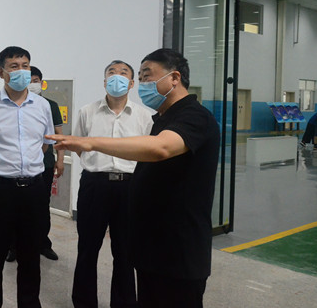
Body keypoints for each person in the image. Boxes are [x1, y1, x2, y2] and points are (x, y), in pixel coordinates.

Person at [48, 49, 220, 308]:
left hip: (178, 248)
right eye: (140, 77)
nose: (143, 83)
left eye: (147, 76)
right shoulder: (162, 118)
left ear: (174, 78)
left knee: (131, 263)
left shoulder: (193, 116)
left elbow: (160, 148)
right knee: (91, 251)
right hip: (151, 238)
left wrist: (91, 142)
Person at [71, 60, 153, 308]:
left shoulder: (144, 116)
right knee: (88, 248)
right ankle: (84, 303)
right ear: (105, 81)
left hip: (129, 187)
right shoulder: (87, 111)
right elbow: (78, 146)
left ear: (132, 83)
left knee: (126, 252)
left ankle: (124, 302)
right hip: (95, 185)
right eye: (112, 73)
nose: (117, 77)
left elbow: (149, 151)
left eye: (123, 73)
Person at [0, 47, 55, 308]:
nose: (21, 71)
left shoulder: (42, 105)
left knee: (30, 254)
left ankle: (30, 303)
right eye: (14, 66)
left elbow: (44, 143)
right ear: (1, 72)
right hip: (0, 189)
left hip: (34, 189)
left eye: (25, 66)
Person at [28, 66, 65, 261]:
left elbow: (58, 135)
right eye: (29, 80)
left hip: (45, 164)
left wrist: (60, 160)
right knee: (19, 207)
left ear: (41, 83)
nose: (32, 84)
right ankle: (14, 246)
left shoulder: (50, 105)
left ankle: (43, 243)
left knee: (42, 206)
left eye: (35, 80)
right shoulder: (18, 104)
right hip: (21, 167)